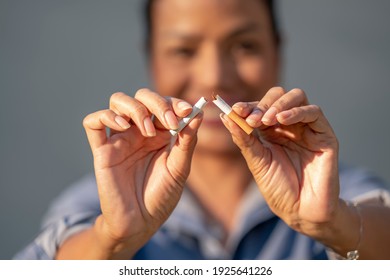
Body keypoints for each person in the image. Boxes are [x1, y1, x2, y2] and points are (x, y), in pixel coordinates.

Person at [15, 0, 390, 260]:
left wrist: (335, 224)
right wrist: (111, 239)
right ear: (152, 59)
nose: (214, 76)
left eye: (245, 45)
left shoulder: (332, 189)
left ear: (277, 52)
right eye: (184, 49)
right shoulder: (98, 204)